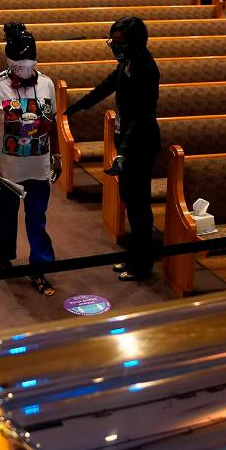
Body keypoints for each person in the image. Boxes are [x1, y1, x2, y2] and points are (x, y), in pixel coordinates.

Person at [65, 17, 160, 281]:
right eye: (113, 41)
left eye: (119, 42)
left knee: (139, 206)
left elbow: (140, 118)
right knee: (131, 202)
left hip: (139, 144)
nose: (114, 47)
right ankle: (135, 256)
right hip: (128, 143)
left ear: (135, 42)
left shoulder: (145, 69)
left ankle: (142, 265)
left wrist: (123, 153)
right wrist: (75, 107)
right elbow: (105, 87)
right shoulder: (127, 63)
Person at [0, 23, 60, 296]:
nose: (24, 67)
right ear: (10, 61)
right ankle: (3, 254)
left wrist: (57, 155)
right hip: (7, 170)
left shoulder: (47, 84)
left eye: (28, 62)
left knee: (37, 218)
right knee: (3, 217)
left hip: (38, 167)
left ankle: (39, 267)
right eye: (19, 63)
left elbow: (54, 123)